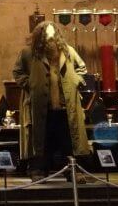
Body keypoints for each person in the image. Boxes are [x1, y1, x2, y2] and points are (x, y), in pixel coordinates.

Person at [12, 21, 89, 182]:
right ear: (39, 35)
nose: (50, 35)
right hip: (41, 106)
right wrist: (31, 85)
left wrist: (75, 80)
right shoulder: (28, 53)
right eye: (46, 32)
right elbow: (18, 72)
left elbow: (82, 68)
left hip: (64, 105)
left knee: (67, 139)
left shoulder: (67, 51)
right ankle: (39, 170)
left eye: (53, 32)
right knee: (41, 139)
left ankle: (72, 170)